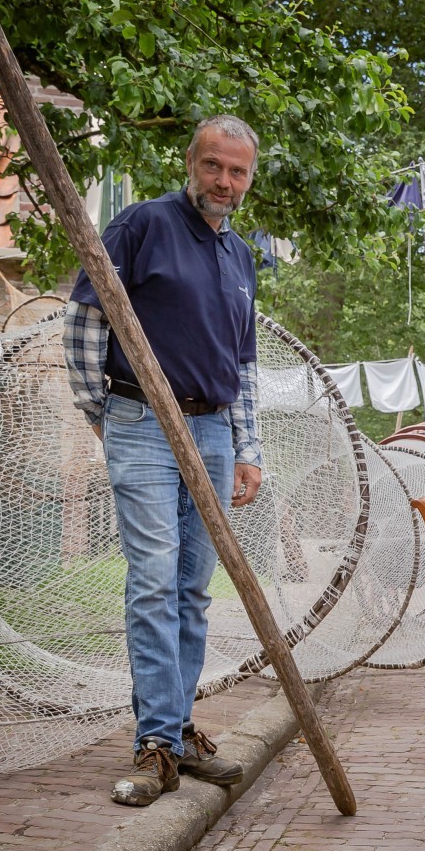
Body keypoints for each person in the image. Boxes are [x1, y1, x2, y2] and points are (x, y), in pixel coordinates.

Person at [64, 115, 265, 807]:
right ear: (191, 163)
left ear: (249, 178)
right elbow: (85, 316)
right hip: (143, 420)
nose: (224, 181)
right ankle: (155, 745)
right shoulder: (141, 225)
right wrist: (104, 411)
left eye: (237, 171)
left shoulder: (240, 256)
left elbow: (243, 366)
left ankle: (176, 732)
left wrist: (247, 450)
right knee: (152, 575)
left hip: (211, 432)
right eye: (214, 165)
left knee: (191, 585)